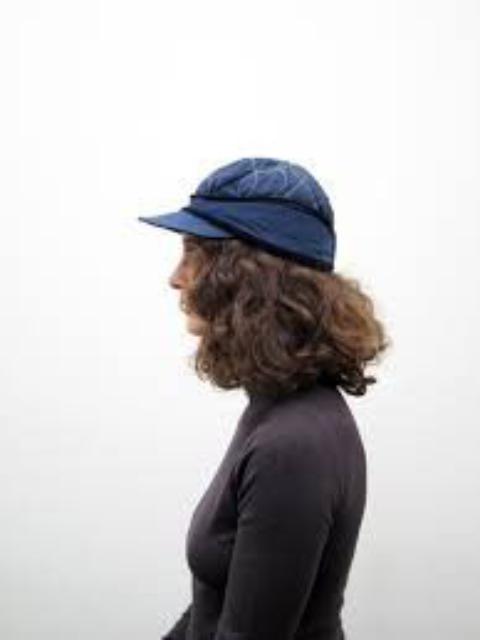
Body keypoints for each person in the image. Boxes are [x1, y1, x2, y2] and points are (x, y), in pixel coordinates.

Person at [138, 157, 391, 640]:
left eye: (193, 253)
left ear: (249, 279)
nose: (175, 277)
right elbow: (211, 603)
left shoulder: (292, 445)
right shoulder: (278, 410)